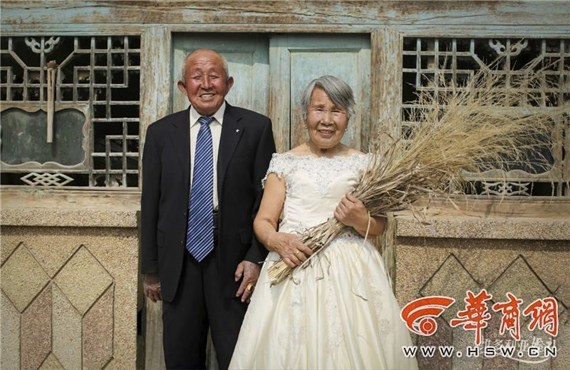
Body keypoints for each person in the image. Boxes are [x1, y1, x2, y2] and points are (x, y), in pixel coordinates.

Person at [229, 75, 418, 369]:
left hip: (352, 269)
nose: (327, 120)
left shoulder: (364, 163)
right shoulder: (285, 162)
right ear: (305, 115)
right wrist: (278, 240)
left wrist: (358, 218)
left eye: (336, 111)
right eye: (319, 109)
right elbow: (264, 220)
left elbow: (379, 228)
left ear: (347, 118)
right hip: (293, 263)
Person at [140, 48, 276, 370]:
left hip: (235, 265)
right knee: (181, 357)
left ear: (228, 83)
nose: (206, 84)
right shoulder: (160, 133)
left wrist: (256, 257)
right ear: (182, 86)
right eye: (196, 76)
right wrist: (151, 268)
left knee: (238, 356)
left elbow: (267, 199)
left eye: (214, 76)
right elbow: (151, 203)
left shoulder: (256, 128)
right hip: (178, 262)